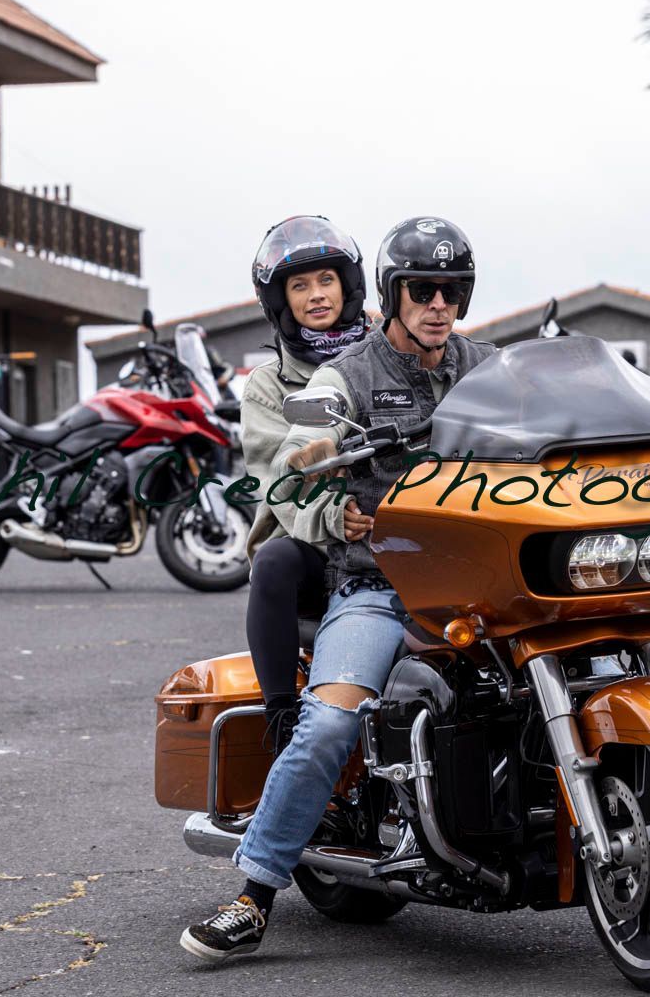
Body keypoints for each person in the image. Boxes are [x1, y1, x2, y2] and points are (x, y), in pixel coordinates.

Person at [181, 217, 495, 962]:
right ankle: (253, 895)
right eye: (423, 289)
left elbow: (555, 407)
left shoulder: (488, 366)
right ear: (393, 294)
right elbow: (292, 454)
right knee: (326, 726)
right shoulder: (346, 375)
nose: (438, 303)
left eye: (452, 290)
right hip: (380, 582)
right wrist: (317, 459)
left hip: (490, 582)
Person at [240, 216, 370, 755]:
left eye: (326, 281)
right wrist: (335, 513)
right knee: (274, 562)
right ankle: (282, 725)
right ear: (282, 300)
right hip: (320, 551)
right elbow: (283, 484)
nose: (316, 296)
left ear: (348, 286)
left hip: (409, 538)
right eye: (299, 286)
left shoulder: (391, 356)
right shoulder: (269, 386)